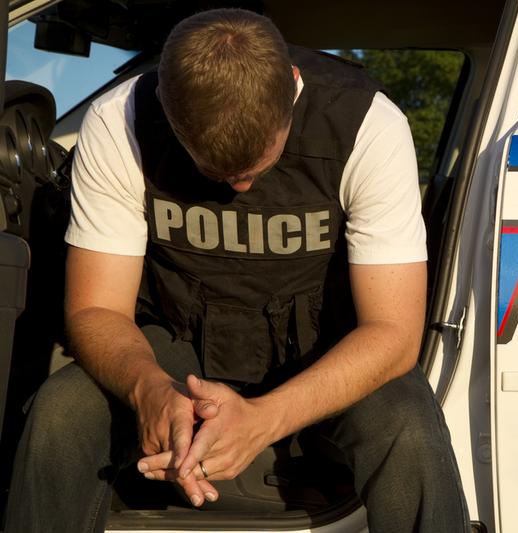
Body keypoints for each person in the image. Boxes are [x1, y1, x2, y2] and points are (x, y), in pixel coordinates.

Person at [3, 8, 469, 533]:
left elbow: (394, 333)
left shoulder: (368, 126)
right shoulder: (119, 122)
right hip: (176, 342)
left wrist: (263, 420)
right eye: (216, 172)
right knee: (60, 413)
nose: (240, 188)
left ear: (293, 86)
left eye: (255, 167)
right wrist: (148, 391)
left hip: (322, 349)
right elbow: (96, 308)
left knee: (409, 426)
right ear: (167, 111)